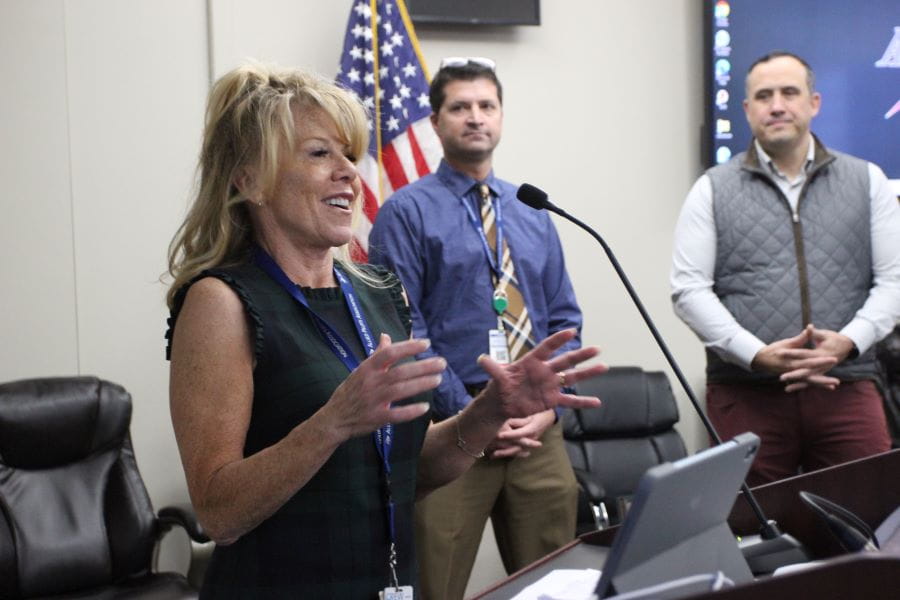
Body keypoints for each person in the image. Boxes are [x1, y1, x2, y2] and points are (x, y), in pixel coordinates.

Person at [164, 63, 605, 599]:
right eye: (319, 153)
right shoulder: (221, 302)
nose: (350, 173)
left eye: (350, 154)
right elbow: (219, 511)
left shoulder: (378, 292)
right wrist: (332, 422)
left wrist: (489, 411)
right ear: (249, 179)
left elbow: (402, 472)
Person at [369, 58, 585, 600]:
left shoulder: (533, 209)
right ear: (436, 122)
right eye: (459, 107)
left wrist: (547, 406)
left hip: (537, 432)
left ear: (501, 118)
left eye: (486, 106)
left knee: (559, 586)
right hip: (451, 432)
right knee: (435, 587)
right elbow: (402, 327)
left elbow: (563, 318)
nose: (475, 117)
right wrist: (474, 414)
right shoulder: (405, 212)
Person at [671, 51, 900, 487]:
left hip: (846, 387)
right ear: (747, 109)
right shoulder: (711, 189)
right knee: (751, 534)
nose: (777, 105)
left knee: (866, 525)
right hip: (746, 393)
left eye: (789, 93)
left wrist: (848, 343)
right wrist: (756, 354)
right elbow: (689, 291)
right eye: (764, 95)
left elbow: (894, 281)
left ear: (814, 102)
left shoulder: (866, 180)